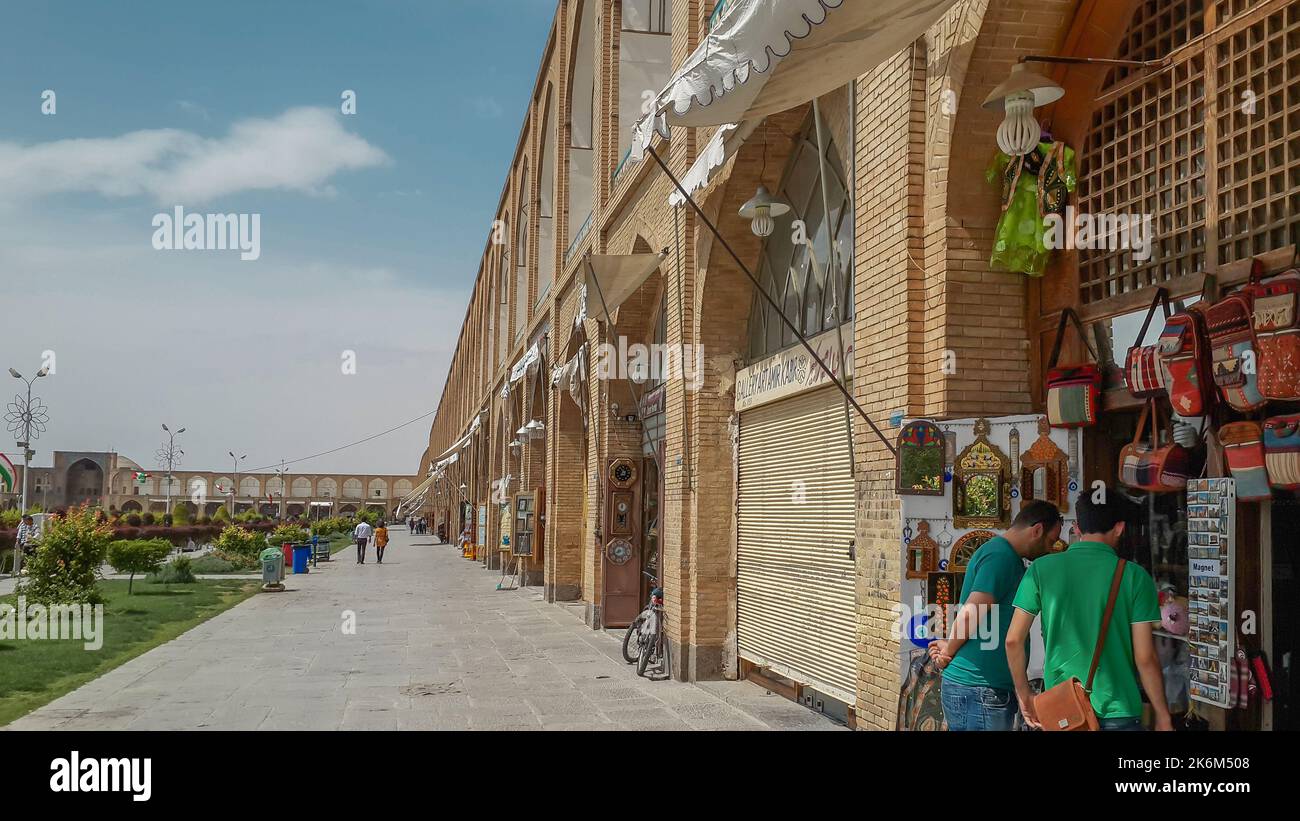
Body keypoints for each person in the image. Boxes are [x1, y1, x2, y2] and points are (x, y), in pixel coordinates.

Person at [1006, 488, 1173, 731]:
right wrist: (1163, 715)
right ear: (1119, 528)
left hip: (1063, 709)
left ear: (1076, 529)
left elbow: (1013, 640)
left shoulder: (1041, 570)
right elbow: (1145, 658)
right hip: (1119, 710)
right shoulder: (1134, 577)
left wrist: (1024, 696)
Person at [929, 500, 1062, 730]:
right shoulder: (1001, 557)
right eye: (1050, 541)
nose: (1050, 549)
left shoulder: (1002, 554)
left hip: (980, 689)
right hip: (980, 690)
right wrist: (948, 652)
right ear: (1037, 530)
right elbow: (972, 611)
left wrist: (950, 645)